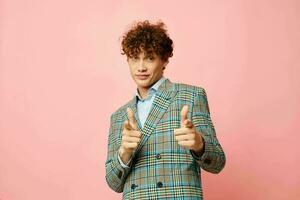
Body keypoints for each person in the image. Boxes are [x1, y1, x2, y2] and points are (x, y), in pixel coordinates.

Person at [105, 20, 226, 200]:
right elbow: (113, 183)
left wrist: (199, 145)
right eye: (134, 58)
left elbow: (217, 163)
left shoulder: (190, 97)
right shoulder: (119, 116)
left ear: (165, 59)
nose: (141, 67)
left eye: (150, 58)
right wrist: (124, 153)